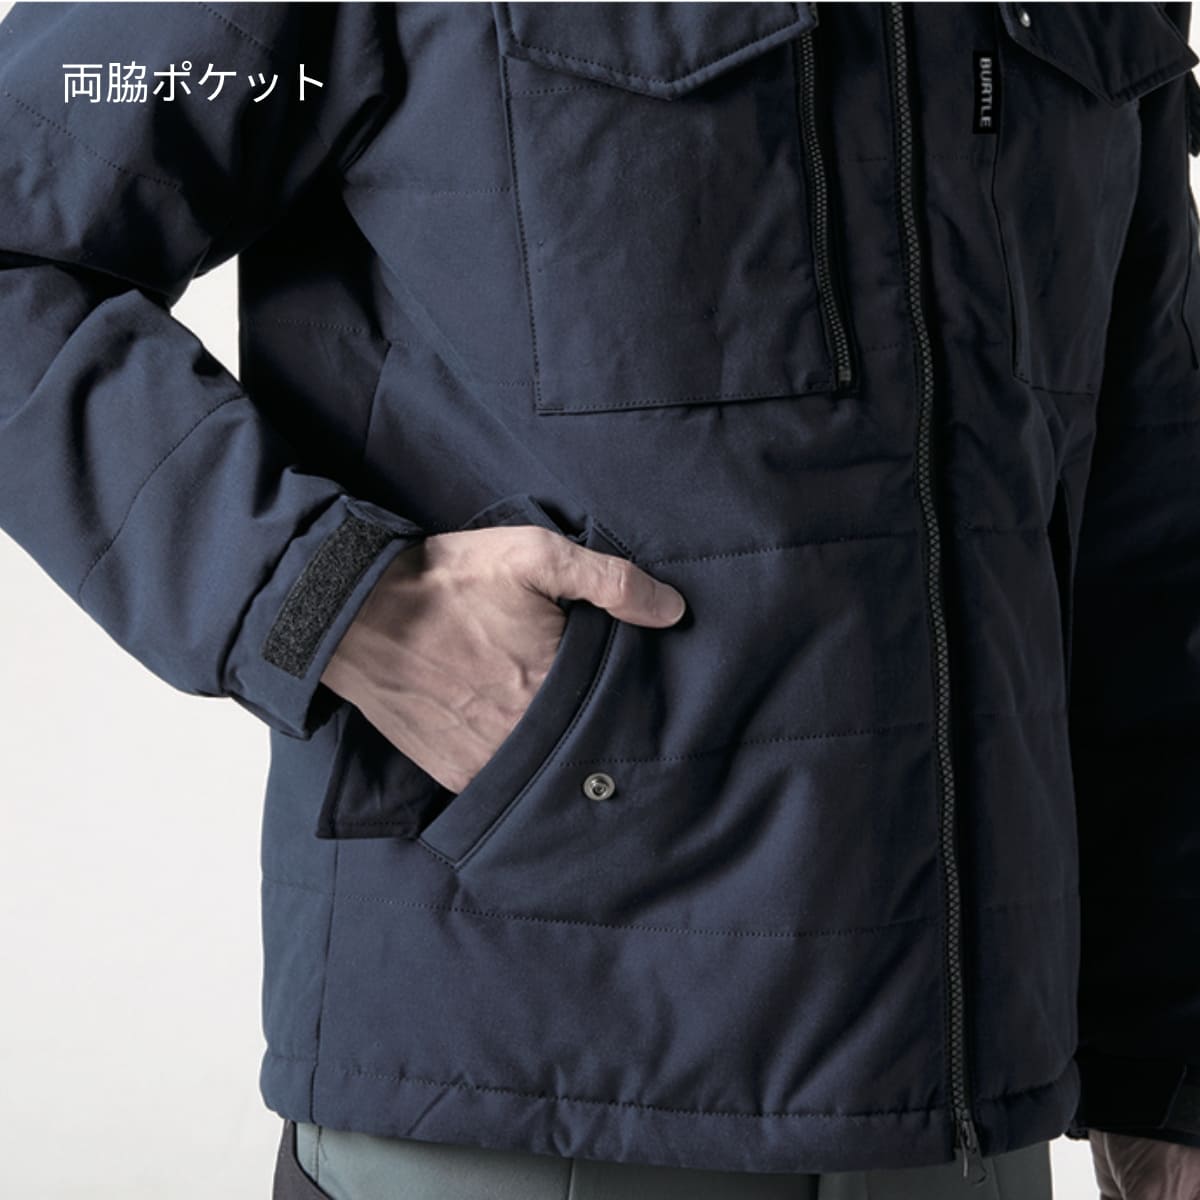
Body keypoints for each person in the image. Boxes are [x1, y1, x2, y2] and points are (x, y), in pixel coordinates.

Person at [1, 2, 1198, 1197]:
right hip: (527, 1081)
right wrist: (329, 597)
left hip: (971, 1122)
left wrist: (1167, 1065)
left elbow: (1145, 511)